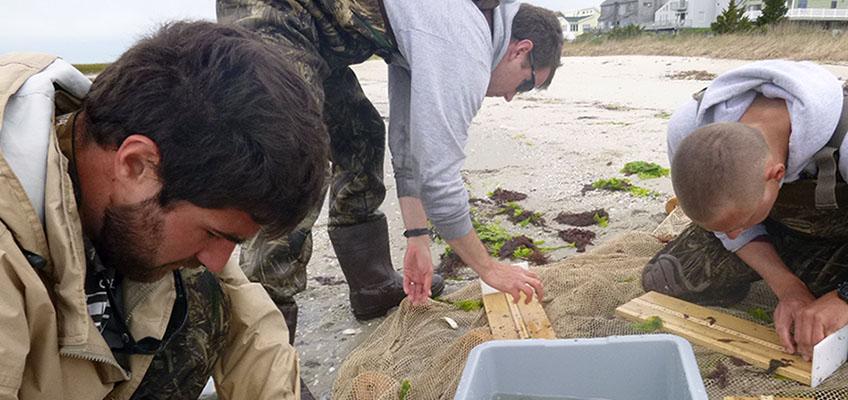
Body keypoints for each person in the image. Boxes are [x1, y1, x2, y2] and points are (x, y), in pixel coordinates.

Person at [0, 21, 327, 399]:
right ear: (136, 164)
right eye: (214, 234)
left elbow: (249, 324)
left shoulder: (122, 173)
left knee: (201, 291)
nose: (218, 260)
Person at [216, 0, 562, 335]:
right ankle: (265, 336)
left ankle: (371, 283)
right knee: (298, 157)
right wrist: (489, 269)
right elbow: (440, 179)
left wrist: (418, 238)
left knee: (361, 133)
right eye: (527, 83)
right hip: (278, 12)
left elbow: (409, 142)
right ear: (520, 50)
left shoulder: (440, 25)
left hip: (319, 36)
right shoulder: (466, 43)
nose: (512, 96)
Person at [641, 59, 848, 362]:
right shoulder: (688, 129)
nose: (734, 236)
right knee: (666, 280)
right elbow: (730, 232)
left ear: (777, 175)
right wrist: (788, 288)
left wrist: (842, 297)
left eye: (741, 222)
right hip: (782, 231)